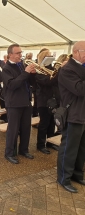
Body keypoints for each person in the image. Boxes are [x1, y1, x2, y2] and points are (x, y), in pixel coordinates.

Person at [57, 41, 85, 193]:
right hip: (73, 114)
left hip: (82, 113)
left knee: (81, 148)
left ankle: (77, 174)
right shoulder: (67, 69)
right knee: (69, 148)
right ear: (76, 52)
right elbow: (79, 89)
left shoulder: (80, 67)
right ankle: (63, 178)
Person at [1, 44, 36, 164]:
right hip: (14, 103)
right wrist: (26, 73)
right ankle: (9, 153)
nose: (21, 55)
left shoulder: (22, 65)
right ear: (10, 54)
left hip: (26, 101)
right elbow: (12, 85)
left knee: (26, 128)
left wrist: (32, 73)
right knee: (13, 129)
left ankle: (24, 150)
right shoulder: (6, 68)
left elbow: (30, 82)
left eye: (21, 53)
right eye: (18, 53)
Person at [35, 49, 59, 154]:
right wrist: (59, 72)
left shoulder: (52, 68)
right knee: (44, 124)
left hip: (53, 100)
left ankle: (50, 142)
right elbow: (48, 82)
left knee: (52, 123)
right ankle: (40, 145)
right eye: (48, 56)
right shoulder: (38, 71)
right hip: (43, 101)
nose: (51, 58)